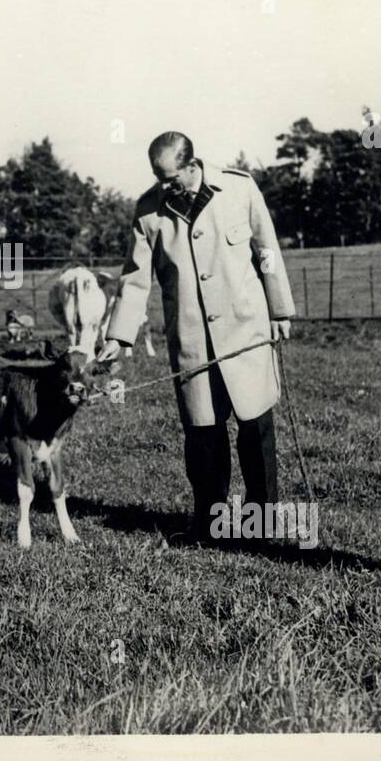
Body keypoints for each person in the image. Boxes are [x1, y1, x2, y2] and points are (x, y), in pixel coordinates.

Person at [97, 131, 294, 542]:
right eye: (157, 177)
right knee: (203, 436)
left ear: (191, 164)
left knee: (256, 430)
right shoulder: (148, 211)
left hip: (246, 331)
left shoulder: (239, 188)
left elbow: (267, 249)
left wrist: (280, 309)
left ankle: (263, 527)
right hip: (191, 341)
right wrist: (118, 337)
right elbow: (135, 281)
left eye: (170, 177)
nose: (164, 186)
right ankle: (210, 525)